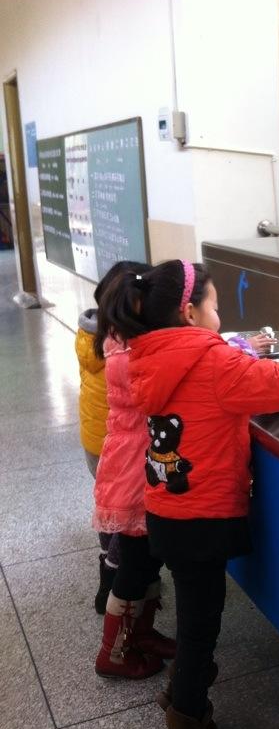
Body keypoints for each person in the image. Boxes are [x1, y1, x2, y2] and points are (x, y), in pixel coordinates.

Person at [96, 259, 279, 729]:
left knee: (195, 613)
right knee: (201, 627)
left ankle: (182, 691)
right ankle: (186, 725)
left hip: (164, 510)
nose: (220, 318)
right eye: (216, 307)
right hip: (204, 518)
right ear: (190, 311)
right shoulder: (212, 362)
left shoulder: (147, 355)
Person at [92, 265, 178, 680]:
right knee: (134, 567)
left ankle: (140, 633)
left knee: (145, 563)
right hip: (133, 474)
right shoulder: (130, 357)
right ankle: (113, 652)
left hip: (136, 467)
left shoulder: (120, 343)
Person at [75, 261, 149, 613]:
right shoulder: (125, 349)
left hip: (97, 442)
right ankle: (114, 585)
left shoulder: (95, 335)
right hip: (120, 447)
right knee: (126, 527)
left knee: (111, 513)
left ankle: (109, 569)